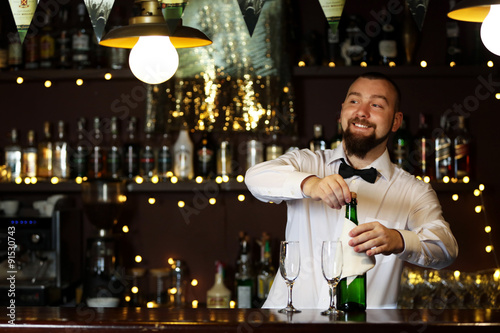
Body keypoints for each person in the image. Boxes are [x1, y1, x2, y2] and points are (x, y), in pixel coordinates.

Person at [244, 72, 458, 309]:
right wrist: (310, 184)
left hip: (366, 328)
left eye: (376, 105)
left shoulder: (414, 191)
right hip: (287, 323)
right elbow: (254, 178)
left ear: (396, 121)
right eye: (354, 101)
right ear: (342, 110)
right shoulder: (306, 163)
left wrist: (398, 239)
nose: (362, 112)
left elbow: (446, 248)